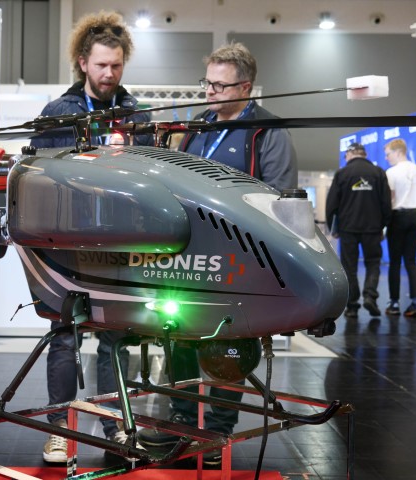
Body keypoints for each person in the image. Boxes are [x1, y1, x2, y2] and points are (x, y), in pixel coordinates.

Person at [137, 42, 298, 466]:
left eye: (219, 86)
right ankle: (182, 421)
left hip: (238, 259)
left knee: (228, 347)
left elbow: (280, 199)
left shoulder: (267, 131)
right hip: (188, 255)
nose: (209, 91)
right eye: (207, 82)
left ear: (245, 87)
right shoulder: (198, 126)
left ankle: (217, 432)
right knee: (178, 336)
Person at [30, 11, 153, 463]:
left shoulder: (137, 115)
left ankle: (115, 426)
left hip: (121, 246)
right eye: (101, 65)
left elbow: (155, 182)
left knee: (115, 340)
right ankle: (59, 430)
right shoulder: (58, 113)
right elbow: (36, 176)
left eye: (116, 65)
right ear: (83, 62)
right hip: (65, 244)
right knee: (64, 336)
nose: (109, 73)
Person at [326, 142, 392, 318]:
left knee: (350, 266)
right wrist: (383, 225)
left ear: (349, 154)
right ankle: (370, 296)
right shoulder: (379, 173)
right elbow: (386, 204)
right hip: (372, 228)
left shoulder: (342, 173)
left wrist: (333, 227)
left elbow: (331, 204)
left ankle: (352, 306)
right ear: (364, 154)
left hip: (348, 228)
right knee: (373, 263)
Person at [384, 138, 416, 316]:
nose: (386, 157)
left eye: (388, 154)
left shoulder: (391, 172)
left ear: (398, 152)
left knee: (395, 262)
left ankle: (394, 304)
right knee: (411, 261)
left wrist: (384, 224)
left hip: (398, 217)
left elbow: (390, 199)